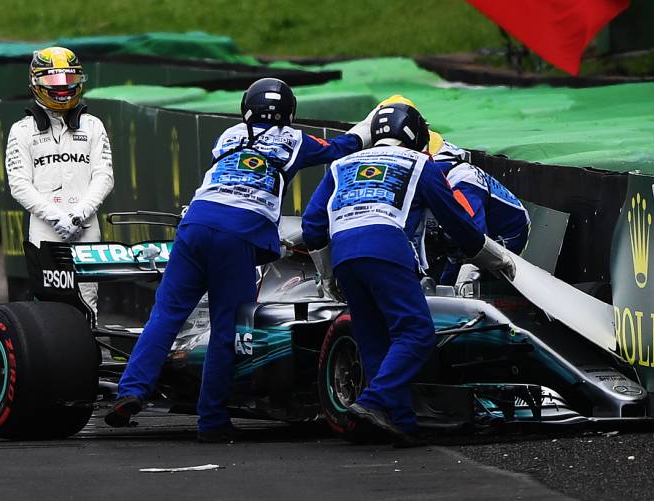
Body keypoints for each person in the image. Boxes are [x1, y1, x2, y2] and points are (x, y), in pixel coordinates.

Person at [104, 77, 375, 442]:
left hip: (196, 222)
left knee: (165, 314)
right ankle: (212, 420)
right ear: (289, 113)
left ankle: (131, 390)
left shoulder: (228, 135)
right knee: (228, 328)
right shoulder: (293, 140)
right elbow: (342, 146)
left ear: (246, 108)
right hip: (239, 232)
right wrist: (375, 120)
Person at [301, 103, 514, 446]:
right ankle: (372, 402)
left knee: (374, 341)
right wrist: (494, 257)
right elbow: (457, 221)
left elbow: (312, 225)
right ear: (415, 135)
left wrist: (327, 274)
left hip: (343, 253)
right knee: (416, 333)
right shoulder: (420, 163)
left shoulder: (341, 165)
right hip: (387, 247)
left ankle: (397, 421)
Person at [5, 46, 114, 320]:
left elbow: (104, 176)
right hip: (45, 230)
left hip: (86, 227)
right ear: (37, 83)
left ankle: (89, 357)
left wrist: (79, 214)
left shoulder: (93, 126)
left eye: (69, 80)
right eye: (54, 82)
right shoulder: (21, 130)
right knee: (48, 301)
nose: (63, 88)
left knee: (88, 302)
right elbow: (19, 184)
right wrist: (56, 218)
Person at [430, 137, 530, 291]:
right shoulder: (442, 166)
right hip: (469, 227)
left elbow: (473, 235)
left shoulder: (462, 182)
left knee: (465, 281)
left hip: (506, 234)